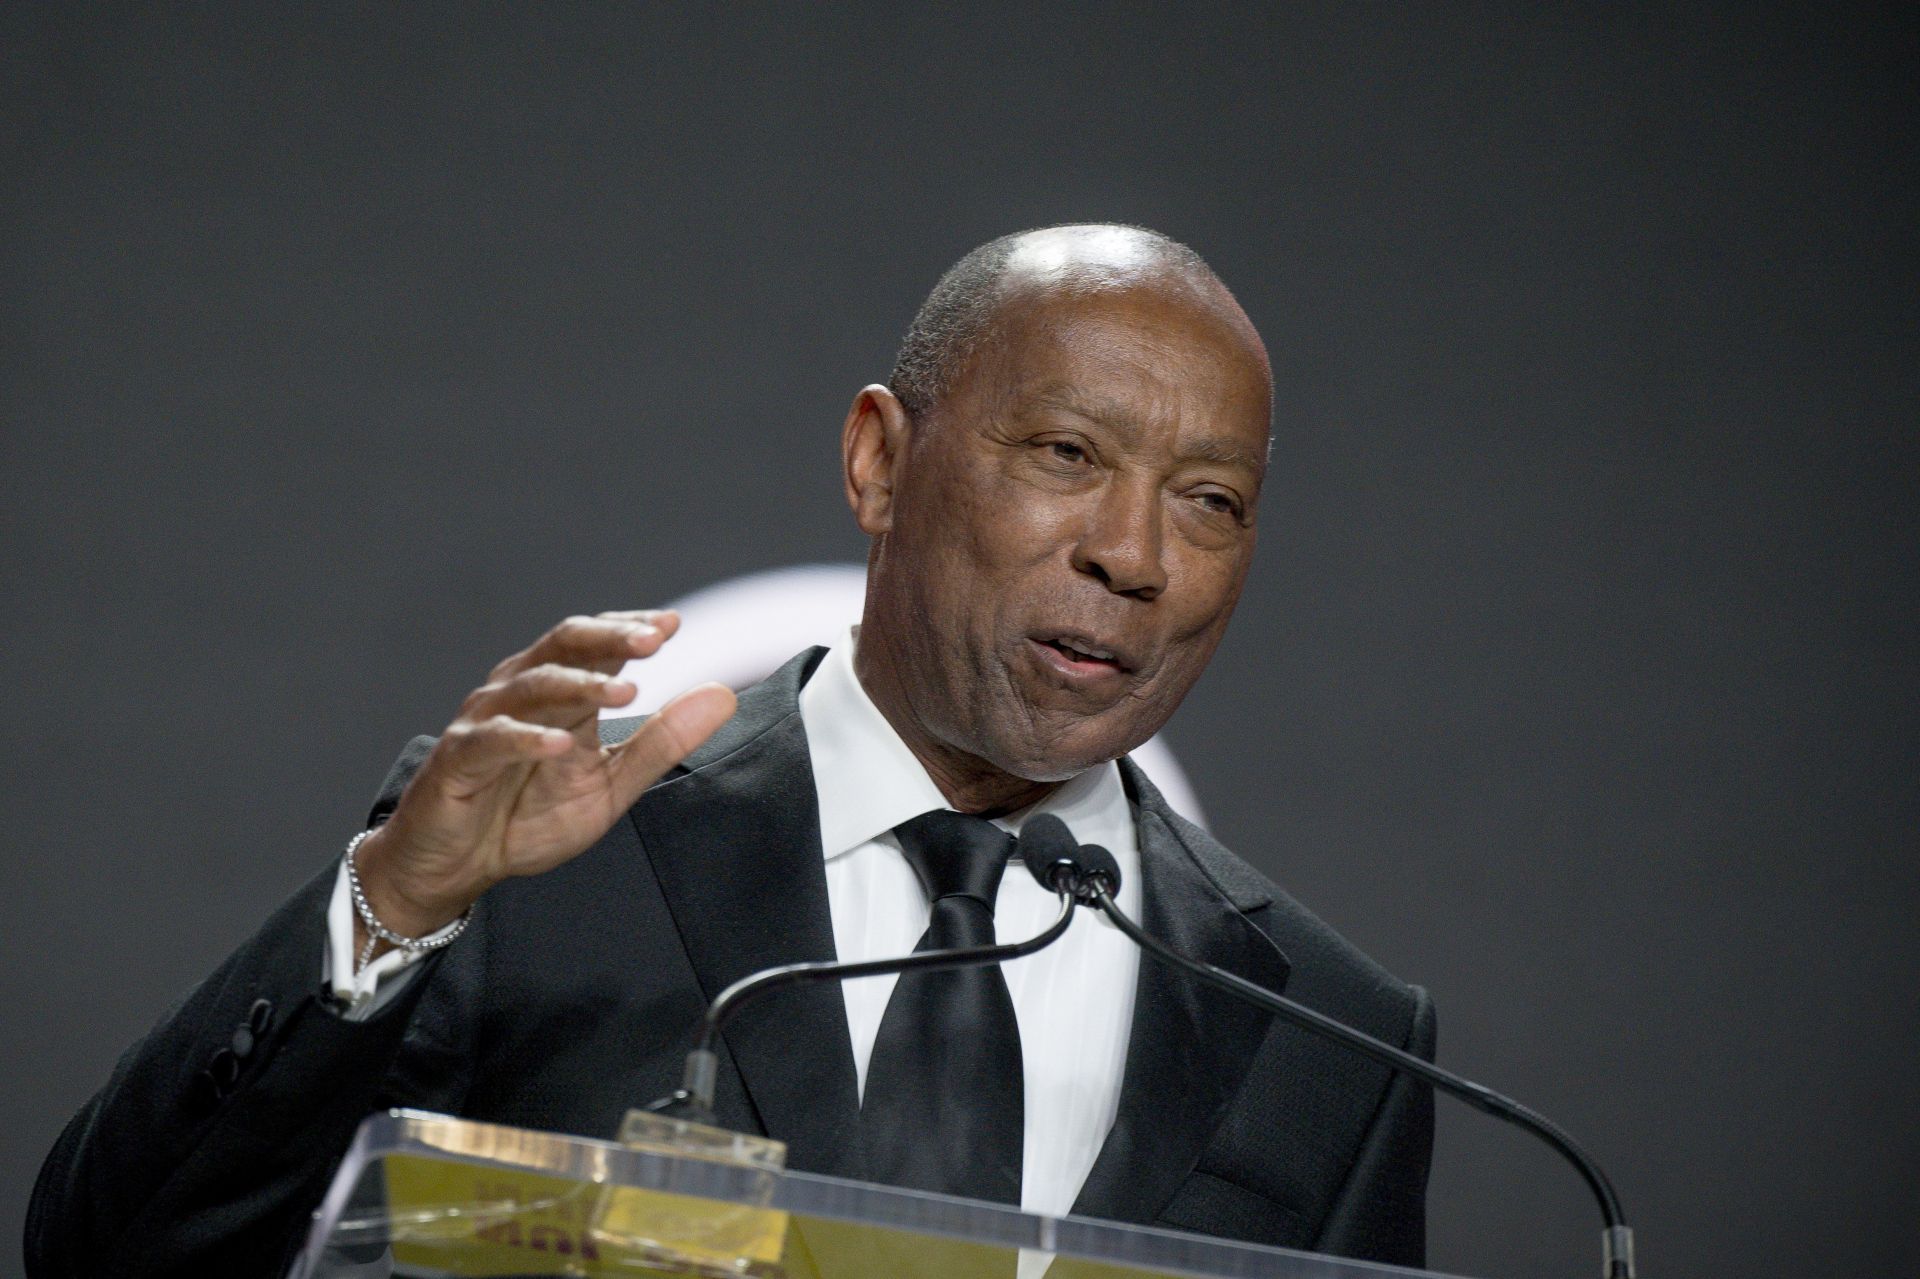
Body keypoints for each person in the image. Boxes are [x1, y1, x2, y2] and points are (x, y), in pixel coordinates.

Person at [26, 224, 1434, 1277]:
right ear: (879, 463)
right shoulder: (539, 866)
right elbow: (113, 1252)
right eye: (1066, 453)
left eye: (1209, 501)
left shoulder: (1337, 1036)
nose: (1133, 554)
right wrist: (392, 911)